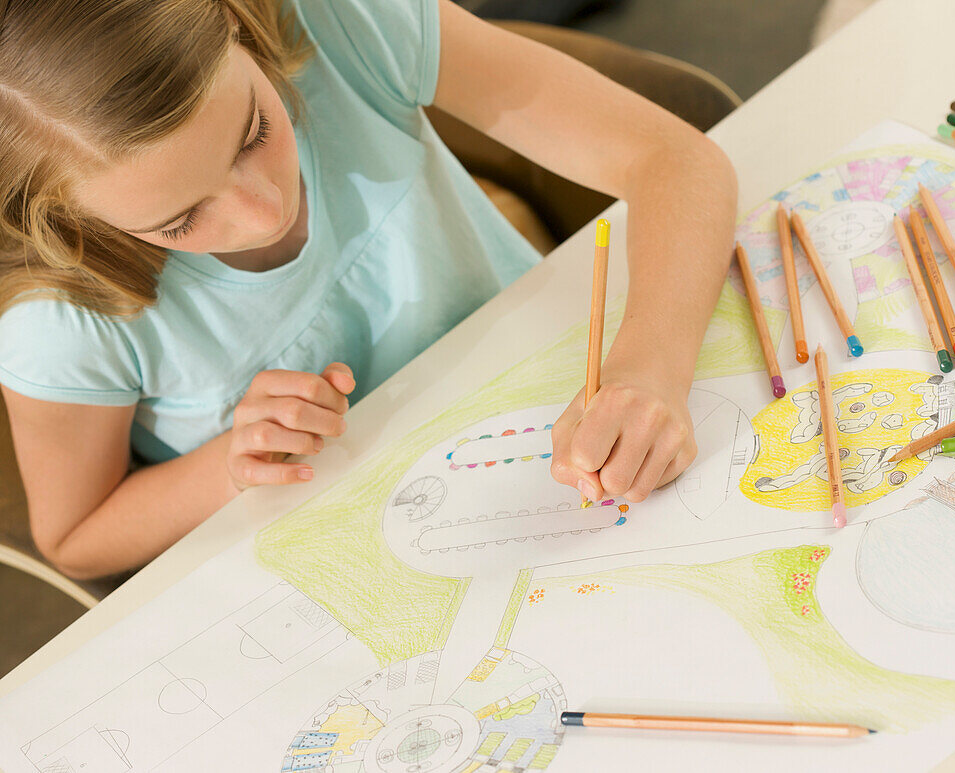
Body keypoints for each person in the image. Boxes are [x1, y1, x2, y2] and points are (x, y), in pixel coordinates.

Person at [0, 0, 736, 579]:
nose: (265, 211)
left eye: (254, 131)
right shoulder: (60, 319)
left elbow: (675, 160)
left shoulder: (337, 20)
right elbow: (75, 539)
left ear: (234, 20)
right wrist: (228, 462)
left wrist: (651, 367)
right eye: (181, 219)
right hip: (358, 558)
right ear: (68, 218)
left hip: (553, 413)